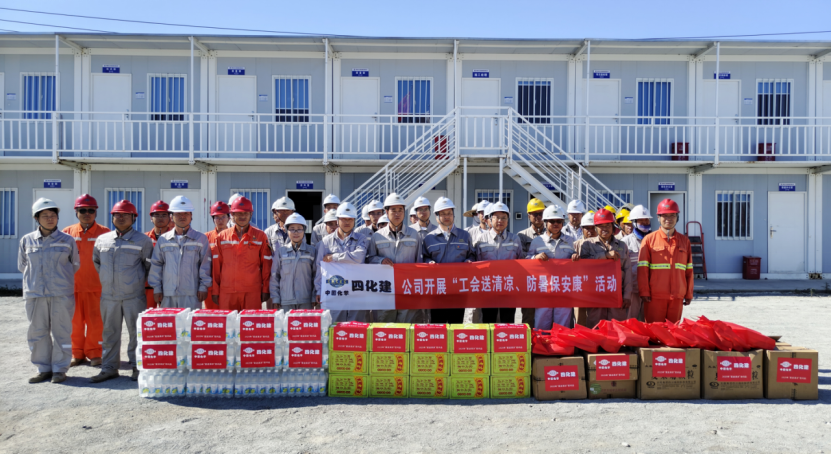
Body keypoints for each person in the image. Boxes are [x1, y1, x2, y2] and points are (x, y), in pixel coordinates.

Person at [91, 200, 153, 383]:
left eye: (126, 215)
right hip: (109, 296)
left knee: (136, 333)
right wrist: (108, 280)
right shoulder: (102, 240)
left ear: (134, 218)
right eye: (117, 214)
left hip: (134, 296)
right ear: (112, 217)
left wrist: (134, 281)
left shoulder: (143, 240)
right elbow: (97, 263)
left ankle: (137, 366)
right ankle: (109, 368)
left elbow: (149, 266)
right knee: (109, 332)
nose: (121, 217)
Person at [18, 198, 80, 384]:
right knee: (37, 332)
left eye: (53, 215)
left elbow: (74, 264)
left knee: (62, 331)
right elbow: (22, 265)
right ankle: (43, 368)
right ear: (36, 218)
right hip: (35, 294)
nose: (50, 218)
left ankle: (60, 369)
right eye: (45, 215)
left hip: (61, 294)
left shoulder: (67, 240)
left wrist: (59, 281)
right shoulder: (26, 240)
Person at [62, 194, 109, 368]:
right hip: (72, 288)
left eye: (91, 210)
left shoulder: (105, 233)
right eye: (83, 210)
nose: (87, 214)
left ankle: (95, 353)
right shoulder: (67, 233)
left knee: (96, 323)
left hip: (97, 288)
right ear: (76, 212)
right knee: (74, 323)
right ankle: (77, 353)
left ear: (96, 212)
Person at [366, 194, 424, 323]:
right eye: (393, 210)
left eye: (400, 210)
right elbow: (369, 259)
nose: (397, 214)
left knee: (407, 325)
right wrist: (380, 260)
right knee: (385, 326)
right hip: (385, 289)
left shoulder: (414, 234)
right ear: (386, 212)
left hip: (407, 288)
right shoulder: (377, 236)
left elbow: (419, 262)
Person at [148, 196, 212, 310]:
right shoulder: (163, 240)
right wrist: (157, 288)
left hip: (191, 294)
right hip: (167, 294)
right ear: (172, 216)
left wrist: (203, 287)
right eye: (178, 214)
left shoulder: (201, 239)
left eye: (186, 213)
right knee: (169, 321)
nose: (182, 216)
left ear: (191, 216)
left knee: (189, 322)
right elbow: (156, 265)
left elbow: (205, 265)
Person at [574, 208, 633, 328]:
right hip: (595, 297)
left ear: (613, 226)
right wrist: (604, 256)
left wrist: (627, 296)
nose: (605, 229)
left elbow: (627, 271)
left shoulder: (622, 246)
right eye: (601, 226)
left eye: (608, 225)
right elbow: (584, 264)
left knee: (616, 329)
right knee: (595, 329)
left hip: (617, 297)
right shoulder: (587, 245)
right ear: (596, 227)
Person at [637, 199, 693, 324]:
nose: (668, 219)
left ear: (677, 217)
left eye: (672, 215)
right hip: (655, 296)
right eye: (665, 215)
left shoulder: (685, 241)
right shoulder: (649, 240)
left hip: (677, 296)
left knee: (673, 331)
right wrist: (644, 291)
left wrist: (688, 293)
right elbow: (642, 269)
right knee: (654, 331)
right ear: (658, 217)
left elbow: (689, 270)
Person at [212, 196, 272, 311]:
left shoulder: (260, 236)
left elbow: (266, 265)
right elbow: (216, 266)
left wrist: (266, 289)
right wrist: (215, 290)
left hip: (251, 292)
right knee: (228, 322)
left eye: (246, 213)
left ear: (251, 214)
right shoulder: (222, 237)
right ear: (232, 215)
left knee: (250, 322)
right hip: (227, 291)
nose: (242, 216)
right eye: (239, 213)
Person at [422, 197, 473, 324]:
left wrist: (469, 261)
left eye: (449, 213)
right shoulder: (429, 238)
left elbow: (472, 255)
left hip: (458, 290)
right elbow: (424, 257)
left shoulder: (465, 235)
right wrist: (428, 262)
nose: (447, 216)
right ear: (436, 216)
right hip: (437, 290)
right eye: (443, 214)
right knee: (437, 325)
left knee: (456, 325)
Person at [315, 202, 369, 322]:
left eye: (350, 219)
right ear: (337, 220)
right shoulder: (326, 242)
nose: (347, 222)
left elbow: (359, 258)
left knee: (356, 326)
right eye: (344, 219)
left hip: (356, 292)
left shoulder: (361, 238)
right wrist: (318, 290)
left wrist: (334, 257)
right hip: (335, 292)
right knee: (335, 326)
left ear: (354, 221)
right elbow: (319, 267)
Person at [473, 202, 523, 324]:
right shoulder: (481, 240)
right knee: (488, 322)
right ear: (490, 219)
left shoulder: (515, 239)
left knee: (508, 322)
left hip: (509, 288)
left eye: (504, 218)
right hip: (488, 289)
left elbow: (521, 262)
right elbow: (476, 264)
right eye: (497, 217)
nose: (500, 221)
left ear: (508, 220)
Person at [528, 205, 577, 329]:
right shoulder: (537, 241)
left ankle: (560, 342)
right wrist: (535, 257)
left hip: (564, 289)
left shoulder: (570, 241)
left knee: (562, 325)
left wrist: (575, 256)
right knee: (542, 323)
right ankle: (542, 342)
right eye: (552, 221)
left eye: (559, 221)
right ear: (545, 222)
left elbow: (575, 260)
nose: (556, 224)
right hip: (543, 289)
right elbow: (527, 261)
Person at [270, 213, 317, 311]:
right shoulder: (281, 252)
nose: (296, 232)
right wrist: (275, 297)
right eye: (292, 229)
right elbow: (275, 276)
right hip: (285, 301)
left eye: (299, 229)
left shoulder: (312, 251)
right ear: (287, 230)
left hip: (306, 300)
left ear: (304, 230)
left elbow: (316, 276)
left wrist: (314, 296)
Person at [517, 198, 547, 326]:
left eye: (541, 213)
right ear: (529, 215)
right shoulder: (522, 236)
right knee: (528, 316)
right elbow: (520, 257)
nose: (538, 217)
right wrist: (535, 257)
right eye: (535, 214)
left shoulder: (552, 233)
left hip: (547, 282)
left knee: (546, 316)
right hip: (529, 281)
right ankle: (528, 338)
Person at [621, 205, 651, 322]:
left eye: (647, 220)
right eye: (641, 220)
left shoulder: (654, 240)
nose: (645, 223)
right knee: (631, 322)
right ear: (634, 222)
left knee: (648, 322)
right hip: (633, 289)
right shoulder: (625, 242)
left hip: (650, 290)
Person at [144, 201, 172, 308]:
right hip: (147, 287)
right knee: (147, 316)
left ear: (170, 217)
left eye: (164, 215)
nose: (160, 218)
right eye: (157, 215)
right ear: (151, 217)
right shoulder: (144, 239)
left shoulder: (175, 238)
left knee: (167, 316)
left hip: (168, 287)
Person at [203, 201, 230, 309]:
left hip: (229, 284)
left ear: (229, 218)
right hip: (211, 284)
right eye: (217, 217)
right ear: (213, 219)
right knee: (211, 315)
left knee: (229, 315)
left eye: (223, 217)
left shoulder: (234, 237)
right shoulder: (206, 237)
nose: (220, 220)